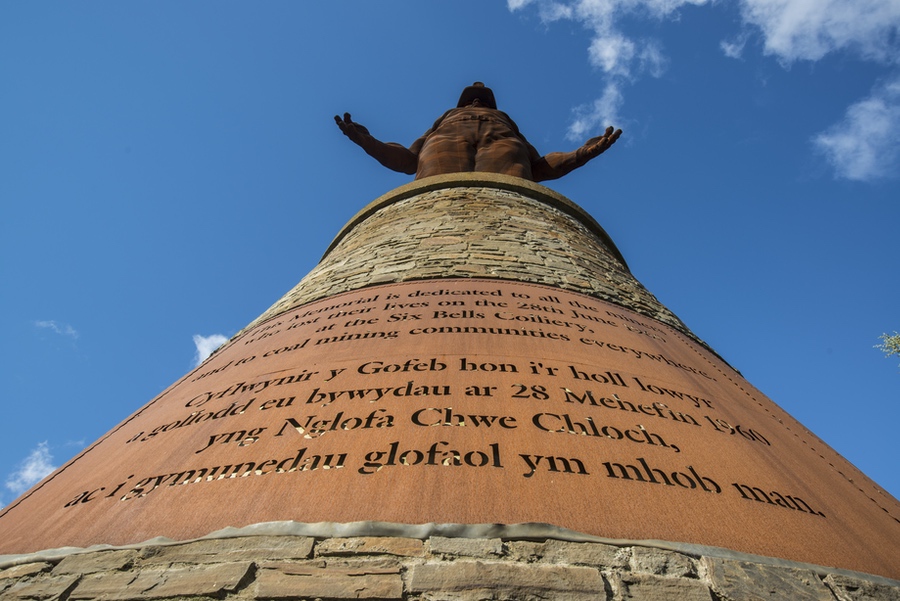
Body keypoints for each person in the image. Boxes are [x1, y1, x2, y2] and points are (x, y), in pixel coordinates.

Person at [335, 82, 621, 182]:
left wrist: (582, 153)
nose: (476, 102)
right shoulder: (440, 125)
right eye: (471, 99)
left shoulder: (510, 128)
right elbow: (408, 161)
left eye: (483, 101)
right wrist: (369, 143)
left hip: (513, 198)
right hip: (433, 191)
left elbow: (540, 167)